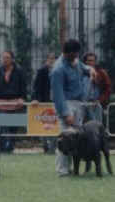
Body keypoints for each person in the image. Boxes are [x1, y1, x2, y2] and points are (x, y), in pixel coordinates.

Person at [51, 39, 95, 176]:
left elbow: (83, 68)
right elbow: (57, 94)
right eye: (75, 54)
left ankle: (71, 168)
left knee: (75, 140)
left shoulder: (75, 62)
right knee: (65, 140)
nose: (77, 56)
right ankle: (62, 170)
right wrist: (65, 113)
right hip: (67, 104)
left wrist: (91, 70)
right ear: (68, 53)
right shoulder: (58, 69)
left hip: (78, 104)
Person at [0, 51, 27, 153]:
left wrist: (22, 98)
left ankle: (10, 148)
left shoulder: (20, 71)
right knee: (3, 129)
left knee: (13, 130)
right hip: (1, 104)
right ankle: (3, 149)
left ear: (12, 59)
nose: (5, 60)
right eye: (3, 57)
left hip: (16, 104)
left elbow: (24, 87)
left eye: (7, 57)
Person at [31, 53, 57, 154]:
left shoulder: (59, 71)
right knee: (42, 125)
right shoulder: (42, 71)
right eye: (50, 59)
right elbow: (36, 87)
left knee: (55, 124)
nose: (51, 61)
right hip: (44, 102)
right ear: (46, 60)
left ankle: (52, 147)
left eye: (54, 59)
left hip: (56, 102)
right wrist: (35, 98)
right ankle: (45, 145)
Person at [82, 52, 111, 122]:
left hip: (95, 104)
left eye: (92, 60)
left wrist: (100, 100)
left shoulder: (101, 73)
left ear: (95, 62)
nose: (90, 62)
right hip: (82, 103)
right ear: (85, 62)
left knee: (96, 126)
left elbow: (108, 89)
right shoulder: (80, 72)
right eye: (88, 60)